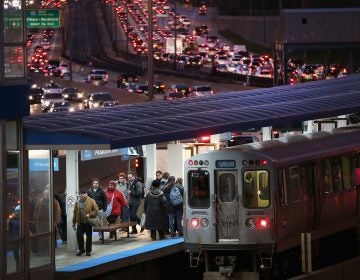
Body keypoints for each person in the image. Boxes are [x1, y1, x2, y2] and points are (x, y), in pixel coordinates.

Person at [72, 190, 98, 256]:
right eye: (80, 195)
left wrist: (90, 214)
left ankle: (88, 251)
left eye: (82, 194)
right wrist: (74, 222)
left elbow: (96, 210)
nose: (81, 196)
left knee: (89, 237)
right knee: (79, 235)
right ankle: (81, 250)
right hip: (80, 222)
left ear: (86, 194)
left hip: (88, 222)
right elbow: (75, 213)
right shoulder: (77, 202)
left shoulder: (92, 201)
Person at [8, 205, 20, 272]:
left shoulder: (21, 219)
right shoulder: (11, 220)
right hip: (14, 238)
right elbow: (9, 230)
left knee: (18, 253)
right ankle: (18, 265)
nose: (18, 213)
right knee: (16, 253)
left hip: (19, 238)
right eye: (17, 211)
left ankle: (19, 266)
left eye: (19, 211)